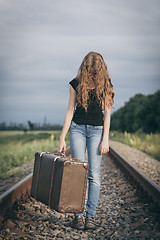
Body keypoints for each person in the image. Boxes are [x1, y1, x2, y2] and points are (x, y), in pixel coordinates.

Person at [58, 51, 115, 230]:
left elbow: (107, 113)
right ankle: (78, 217)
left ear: (100, 70)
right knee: (77, 172)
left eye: (94, 72)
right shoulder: (75, 84)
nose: (91, 75)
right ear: (84, 68)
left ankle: (90, 216)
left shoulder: (106, 84)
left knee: (94, 175)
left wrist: (105, 139)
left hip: (97, 131)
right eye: (89, 71)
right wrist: (62, 138)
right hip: (77, 129)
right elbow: (69, 112)